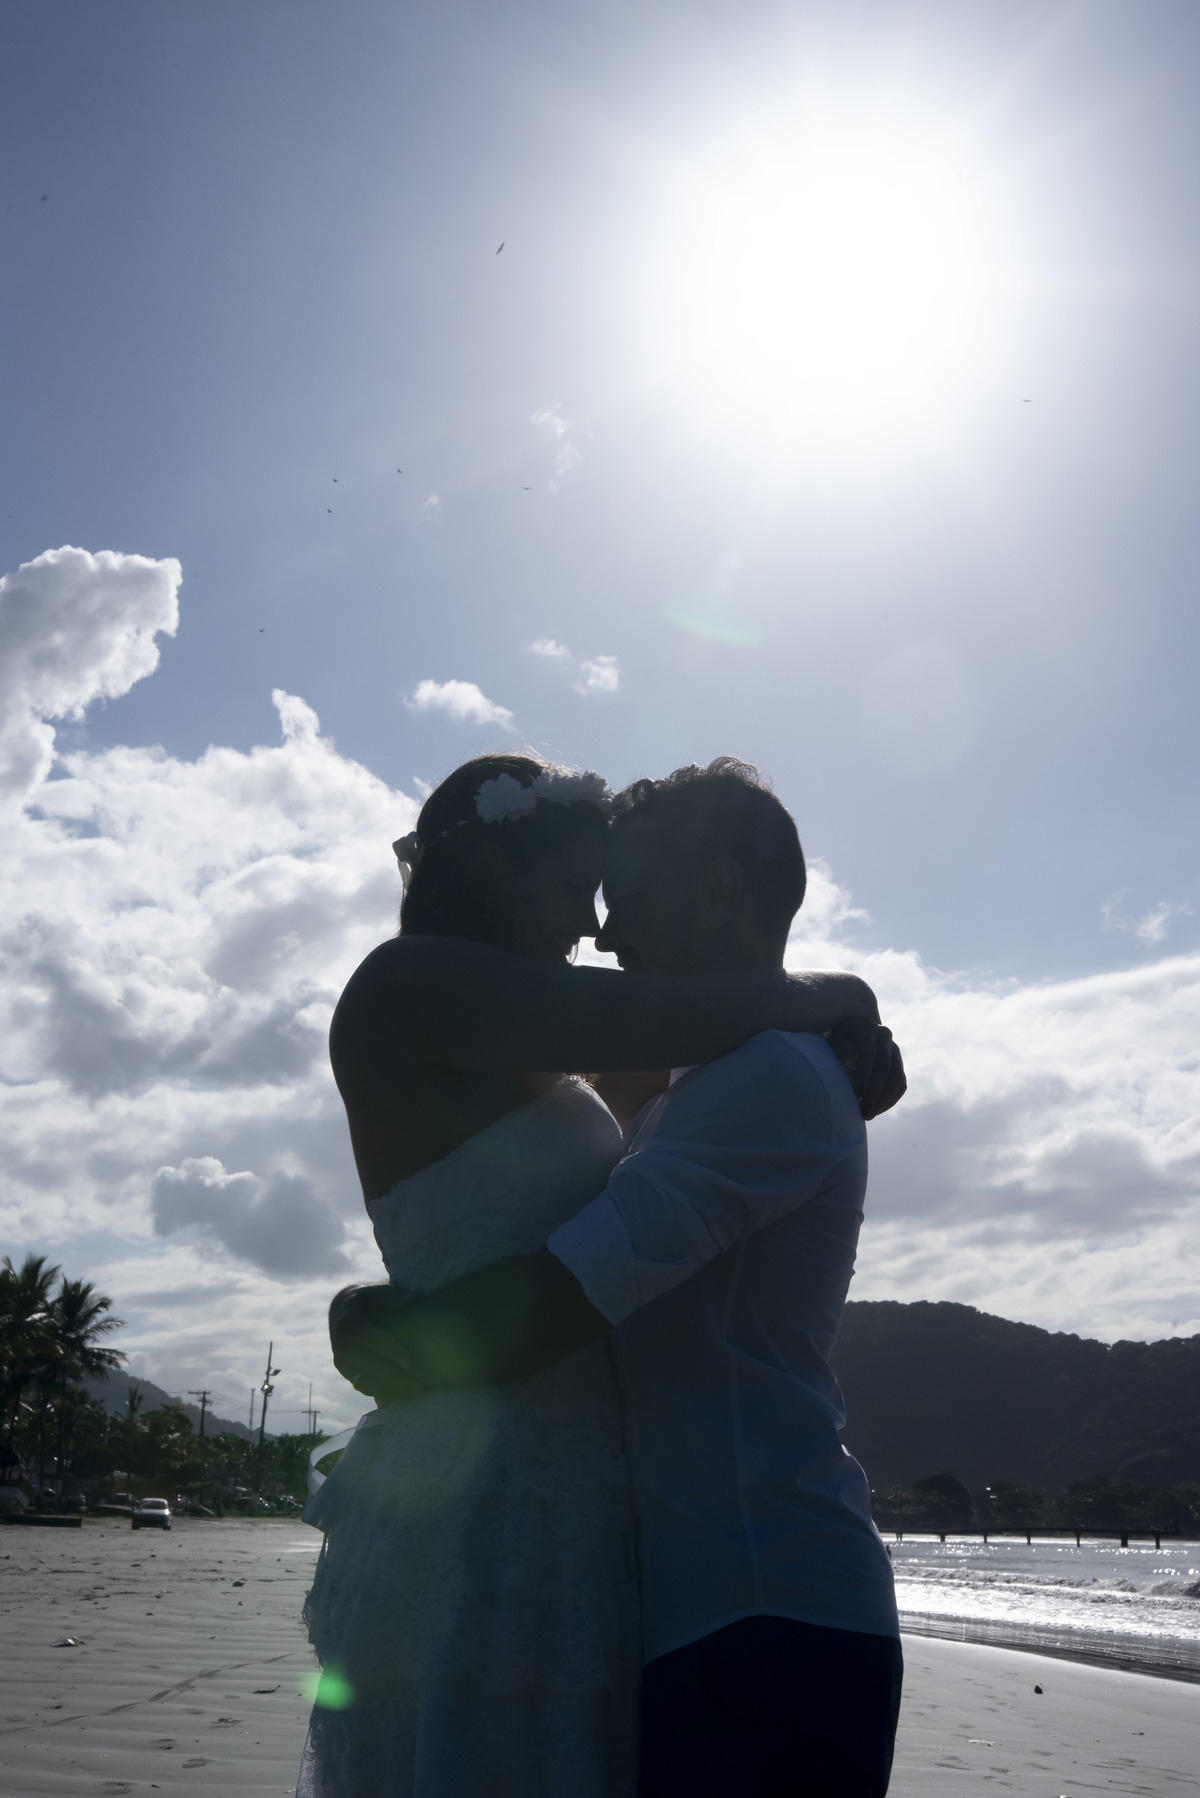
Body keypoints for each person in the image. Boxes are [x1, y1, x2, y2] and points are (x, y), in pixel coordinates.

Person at [299, 752, 903, 1798]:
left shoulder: (695, 1069)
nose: (595, 928)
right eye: (578, 887)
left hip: (626, 1543)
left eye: (615, 894)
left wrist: (407, 1322)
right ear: (495, 872)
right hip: (495, 1505)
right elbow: (671, 1044)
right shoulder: (411, 985)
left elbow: (576, 1254)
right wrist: (844, 994)